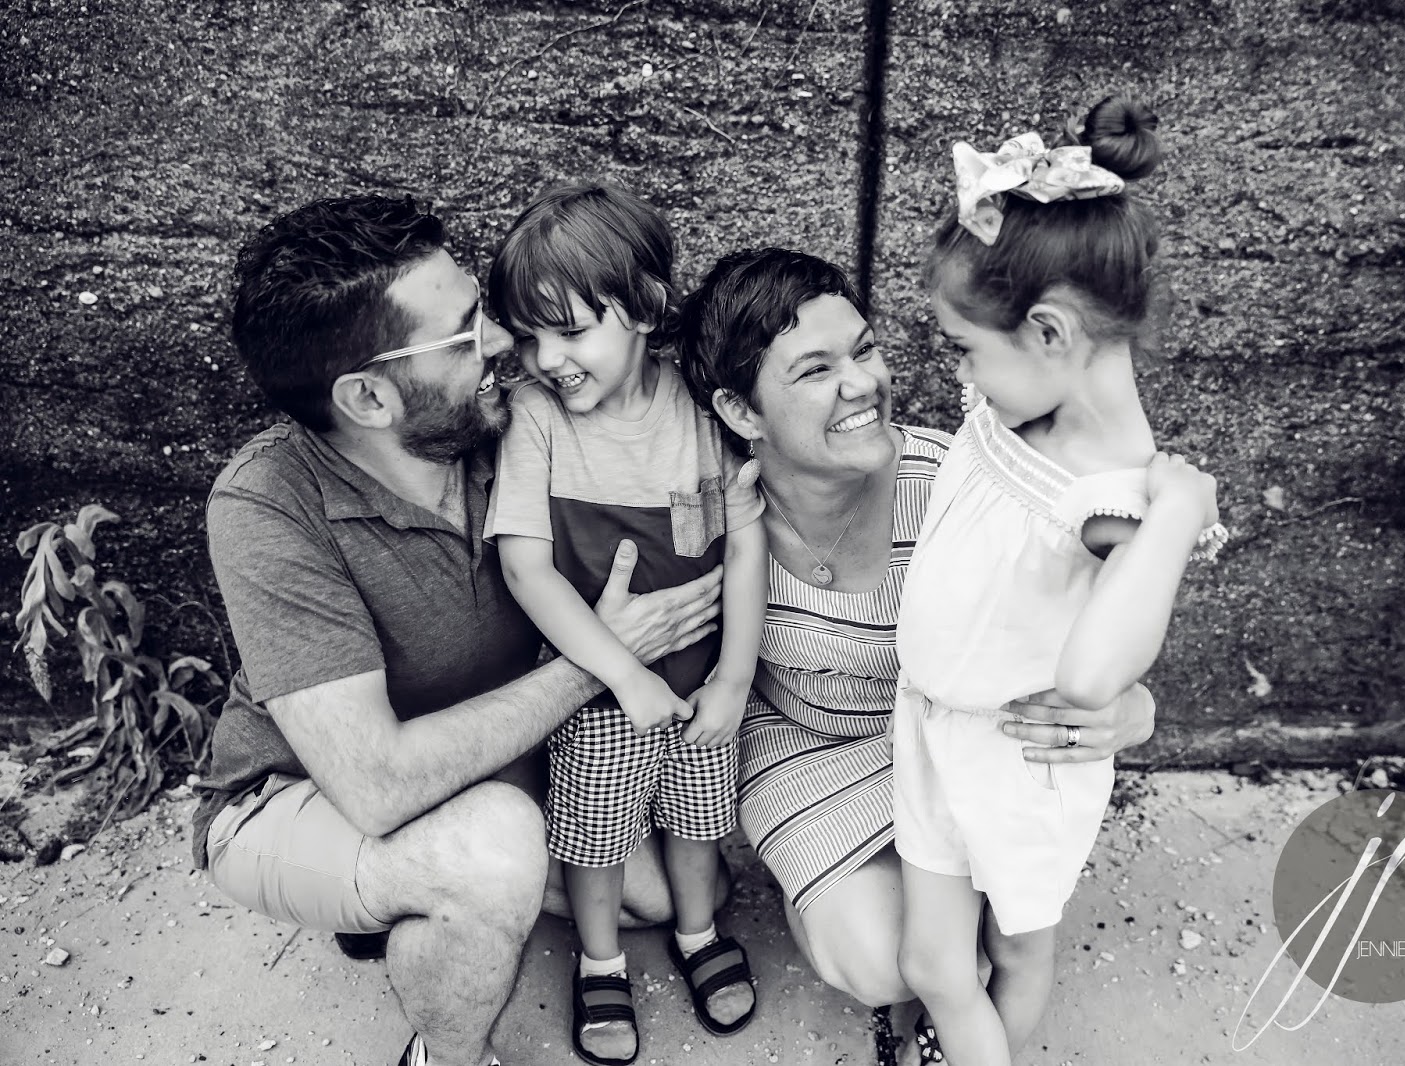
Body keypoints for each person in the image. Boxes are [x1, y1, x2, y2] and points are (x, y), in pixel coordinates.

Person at [194, 194, 721, 1066]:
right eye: (466, 332)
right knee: (490, 855)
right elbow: (375, 785)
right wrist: (603, 659)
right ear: (368, 396)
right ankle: (447, 1053)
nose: (507, 343)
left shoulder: (504, 426)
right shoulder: (267, 504)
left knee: (665, 898)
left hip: (493, 759)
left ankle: (414, 896)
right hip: (297, 794)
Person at [676, 247, 1160, 1063]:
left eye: (864, 349)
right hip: (801, 744)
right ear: (740, 410)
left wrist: (1133, 707)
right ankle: (845, 907)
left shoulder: (958, 484)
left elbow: (1099, 605)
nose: (861, 383)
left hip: (951, 742)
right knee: (882, 961)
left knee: (985, 937)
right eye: (815, 370)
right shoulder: (717, 510)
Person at [892, 98, 1227, 1064]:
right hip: (929, 727)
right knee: (932, 963)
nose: (960, 375)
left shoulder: (1117, 495)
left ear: (1047, 332)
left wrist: (1176, 515)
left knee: (1013, 950)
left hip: (1015, 758)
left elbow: (1089, 678)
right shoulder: (1014, 406)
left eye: (966, 348)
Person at [485, 183, 764, 1065]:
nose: (548, 359)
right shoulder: (536, 419)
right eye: (529, 336)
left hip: (701, 682)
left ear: (643, 306)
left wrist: (734, 678)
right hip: (603, 689)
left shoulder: (701, 408)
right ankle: (600, 961)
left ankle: (696, 933)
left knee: (698, 820)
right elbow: (527, 568)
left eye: (570, 331)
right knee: (594, 833)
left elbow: (746, 547)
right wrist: (622, 673)